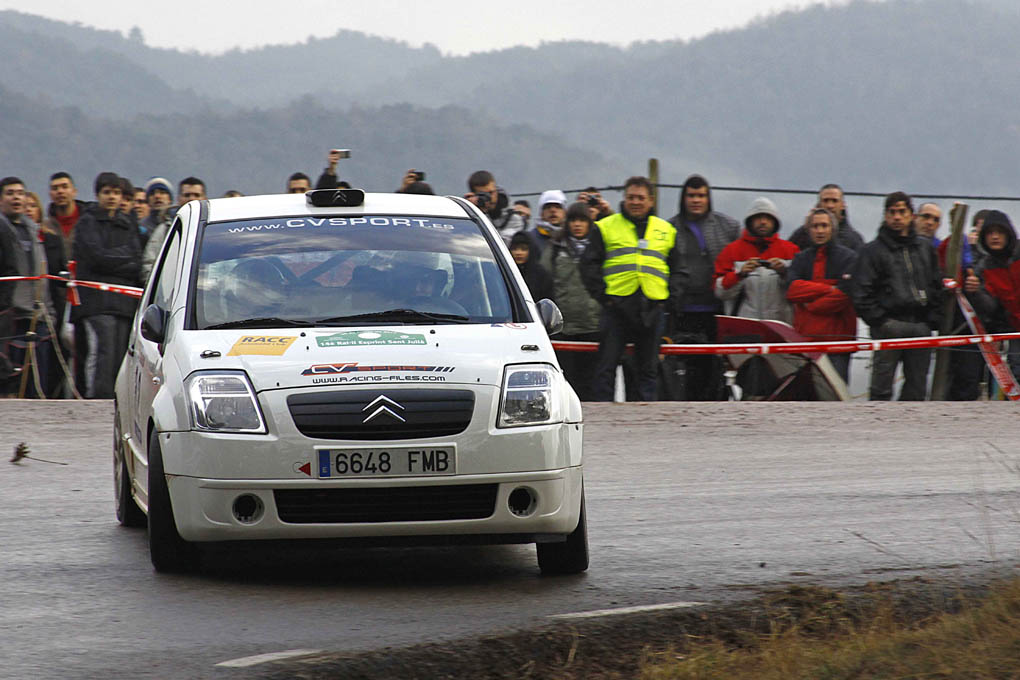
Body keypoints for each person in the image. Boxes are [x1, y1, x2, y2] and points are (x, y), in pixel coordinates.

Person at [581, 176, 688, 402]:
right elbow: (588, 265)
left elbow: (679, 269)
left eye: (640, 198)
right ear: (624, 199)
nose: (635, 202)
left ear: (651, 200)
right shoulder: (605, 226)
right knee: (606, 368)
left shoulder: (666, 230)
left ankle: (645, 423)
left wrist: (669, 301)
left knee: (648, 371)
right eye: (630, 197)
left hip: (652, 307)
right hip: (616, 306)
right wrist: (604, 298)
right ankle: (603, 422)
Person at [852, 191, 943, 401]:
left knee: (917, 389)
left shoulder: (925, 249)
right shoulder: (871, 252)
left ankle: (912, 432)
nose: (897, 217)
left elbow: (937, 286)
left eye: (902, 211)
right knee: (881, 390)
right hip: (888, 327)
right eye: (892, 212)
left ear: (911, 215)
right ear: (885, 215)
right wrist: (881, 321)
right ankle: (879, 431)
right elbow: (861, 292)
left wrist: (931, 321)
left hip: (920, 326)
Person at [667, 174, 741, 400]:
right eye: (691, 195)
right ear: (683, 198)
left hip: (716, 310)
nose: (696, 200)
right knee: (682, 367)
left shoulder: (728, 227)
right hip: (681, 311)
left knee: (714, 367)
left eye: (701, 195)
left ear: (709, 198)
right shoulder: (669, 228)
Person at [71, 172, 142, 398]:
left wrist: (111, 261)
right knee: (103, 351)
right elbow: (95, 257)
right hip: (95, 302)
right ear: (98, 194)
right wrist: (122, 260)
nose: (112, 197)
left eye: (117, 192)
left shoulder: (127, 223)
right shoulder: (87, 222)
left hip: (123, 302)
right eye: (107, 192)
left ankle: (116, 400)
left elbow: (137, 261)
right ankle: (97, 399)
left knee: (120, 355)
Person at [786, 208, 858, 384]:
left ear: (832, 229)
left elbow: (845, 295)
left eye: (824, 226)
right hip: (805, 342)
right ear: (808, 229)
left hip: (838, 343)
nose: (819, 230)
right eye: (815, 226)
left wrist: (811, 305)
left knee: (836, 396)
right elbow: (792, 290)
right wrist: (829, 289)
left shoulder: (849, 257)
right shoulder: (800, 258)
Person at [0, 177, 58, 397]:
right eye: (10, 193)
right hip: (9, 314)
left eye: (20, 193)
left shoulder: (33, 231)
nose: (16, 197)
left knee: (37, 381)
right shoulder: (3, 229)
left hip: (37, 313)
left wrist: (48, 311)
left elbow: (42, 273)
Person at [540, 202, 602, 400]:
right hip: (564, 327)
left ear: (589, 223)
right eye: (573, 220)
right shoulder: (556, 248)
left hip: (593, 326)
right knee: (566, 382)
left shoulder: (599, 247)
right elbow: (544, 279)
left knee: (592, 382)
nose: (577, 224)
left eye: (582, 220)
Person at [714, 197, 799, 324]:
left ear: (775, 222)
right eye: (758, 218)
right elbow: (720, 292)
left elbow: (799, 293)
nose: (763, 222)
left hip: (781, 329)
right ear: (750, 221)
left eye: (768, 218)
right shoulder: (731, 251)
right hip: (744, 329)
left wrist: (784, 273)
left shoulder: (791, 250)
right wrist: (739, 275)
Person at [971, 211, 1020, 387]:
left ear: (1008, 234)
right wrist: (975, 291)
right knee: (1016, 374)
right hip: (1013, 330)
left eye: (999, 232)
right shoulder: (984, 268)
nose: (995, 237)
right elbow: (990, 307)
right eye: (990, 233)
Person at [789, 184, 866, 252]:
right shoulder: (802, 234)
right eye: (825, 201)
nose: (830, 206)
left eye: (834, 201)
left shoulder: (854, 240)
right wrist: (806, 229)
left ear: (843, 205)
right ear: (818, 205)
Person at [464, 170, 524, 244]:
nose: (490, 198)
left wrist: (483, 216)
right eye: (483, 195)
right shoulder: (468, 217)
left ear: (496, 190)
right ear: (474, 195)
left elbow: (500, 245)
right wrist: (469, 209)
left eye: (491, 192)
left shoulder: (513, 218)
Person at [140, 177, 176, 281]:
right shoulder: (140, 228)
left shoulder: (176, 224)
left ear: (170, 199)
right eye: (152, 193)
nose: (157, 196)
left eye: (162, 192)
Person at [47, 172, 86, 253]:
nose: (60, 191)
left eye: (65, 187)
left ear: (74, 192)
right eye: (55, 188)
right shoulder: (46, 228)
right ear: (50, 195)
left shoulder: (88, 222)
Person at [508, 231, 553, 301]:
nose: (518, 253)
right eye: (514, 249)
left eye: (523, 249)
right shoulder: (506, 272)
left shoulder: (542, 275)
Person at [525, 190, 567, 257]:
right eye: (548, 207)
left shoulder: (571, 236)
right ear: (541, 214)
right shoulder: (530, 238)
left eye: (557, 207)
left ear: (564, 212)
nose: (553, 210)